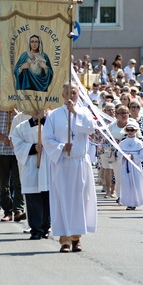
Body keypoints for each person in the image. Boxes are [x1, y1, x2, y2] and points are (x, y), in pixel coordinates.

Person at [42, 82, 99, 253]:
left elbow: (91, 129)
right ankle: (64, 239)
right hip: (62, 164)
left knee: (79, 200)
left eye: (74, 92)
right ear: (63, 95)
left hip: (79, 163)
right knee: (62, 200)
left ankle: (76, 238)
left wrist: (75, 113)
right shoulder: (54, 115)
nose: (71, 95)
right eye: (68, 92)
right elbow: (47, 138)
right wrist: (60, 147)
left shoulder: (84, 112)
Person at [11, 111, 51, 239]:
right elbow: (16, 144)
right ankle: (36, 229)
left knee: (47, 197)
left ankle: (45, 227)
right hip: (30, 164)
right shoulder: (21, 127)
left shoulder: (52, 124)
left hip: (47, 163)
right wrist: (33, 148)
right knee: (33, 198)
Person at [0, 104, 24, 222]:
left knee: (19, 183)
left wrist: (14, 111)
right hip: (1, 151)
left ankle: (18, 209)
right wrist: (4, 139)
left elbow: (26, 122)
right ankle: (7, 211)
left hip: (17, 151)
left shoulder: (22, 106)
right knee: (3, 184)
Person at [117, 120, 143, 211]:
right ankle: (129, 202)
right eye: (128, 130)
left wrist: (133, 156)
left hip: (135, 166)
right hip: (126, 166)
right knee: (127, 183)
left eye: (132, 130)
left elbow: (142, 155)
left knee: (135, 183)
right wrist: (123, 157)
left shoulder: (139, 143)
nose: (130, 132)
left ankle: (136, 201)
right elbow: (118, 154)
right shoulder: (123, 143)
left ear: (136, 131)